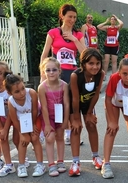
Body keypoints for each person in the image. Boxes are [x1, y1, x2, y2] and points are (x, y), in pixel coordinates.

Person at [40, 3, 86, 144]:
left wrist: (74, 39)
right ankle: (45, 129)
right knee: (52, 101)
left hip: (72, 72)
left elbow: (86, 54)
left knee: (71, 103)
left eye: (75, 17)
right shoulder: (53, 32)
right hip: (56, 71)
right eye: (69, 16)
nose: (72, 20)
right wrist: (43, 73)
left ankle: (68, 131)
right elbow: (45, 54)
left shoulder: (78, 34)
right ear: (62, 16)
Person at [101, 53, 128, 179]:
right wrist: (112, 121)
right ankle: (106, 163)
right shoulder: (114, 78)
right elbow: (108, 100)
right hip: (113, 104)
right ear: (119, 73)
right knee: (112, 130)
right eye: (125, 74)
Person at [69, 48, 105, 177]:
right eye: (91, 63)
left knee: (91, 125)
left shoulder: (101, 74)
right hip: (74, 104)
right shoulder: (75, 76)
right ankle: (75, 162)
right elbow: (74, 98)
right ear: (83, 64)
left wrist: (89, 113)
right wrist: (76, 118)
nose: (95, 67)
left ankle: (96, 156)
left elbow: (96, 94)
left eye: (97, 63)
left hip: (88, 102)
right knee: (76, 128)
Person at [6, 74, 46, 178]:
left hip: (34, 117)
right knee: (23, 141)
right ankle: (21, 165)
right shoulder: (11, 102)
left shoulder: (31, 93)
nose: (22, 93)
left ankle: (40, 165)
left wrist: (32, 126)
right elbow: (14, 120)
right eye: (17, 92)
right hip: (21, 121)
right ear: (10, 93)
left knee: (34, 138)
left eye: (22, 89)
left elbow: (35, 110)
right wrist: (22, 133)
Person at [38, 57, 70, 177]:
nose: (51, 73)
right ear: (44, 72)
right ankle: (51, 164)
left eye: (54, 70)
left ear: (59, 71)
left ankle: (60, 161)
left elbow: (66, 104)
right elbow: (44, 107)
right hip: (48, 116)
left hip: (60, 115)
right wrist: (46, 125)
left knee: (60, 137)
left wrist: (66, 120)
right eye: (48, 70)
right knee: (50, 137)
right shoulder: (42, 87)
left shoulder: (64, 86)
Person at [97, 14, 124, 78]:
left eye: (114, 19)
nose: (113, 20)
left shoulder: (117, 28)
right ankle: (104, 75)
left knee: (114, 61)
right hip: (107, 45)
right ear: (110, 20)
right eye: (111, 19)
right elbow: (98, 26)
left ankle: (113, 76)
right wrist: (106, 22)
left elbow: (122, 23)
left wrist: (116, 17)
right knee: (106, 61)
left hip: (115, 46)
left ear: (115, 21)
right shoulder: (107, 27)